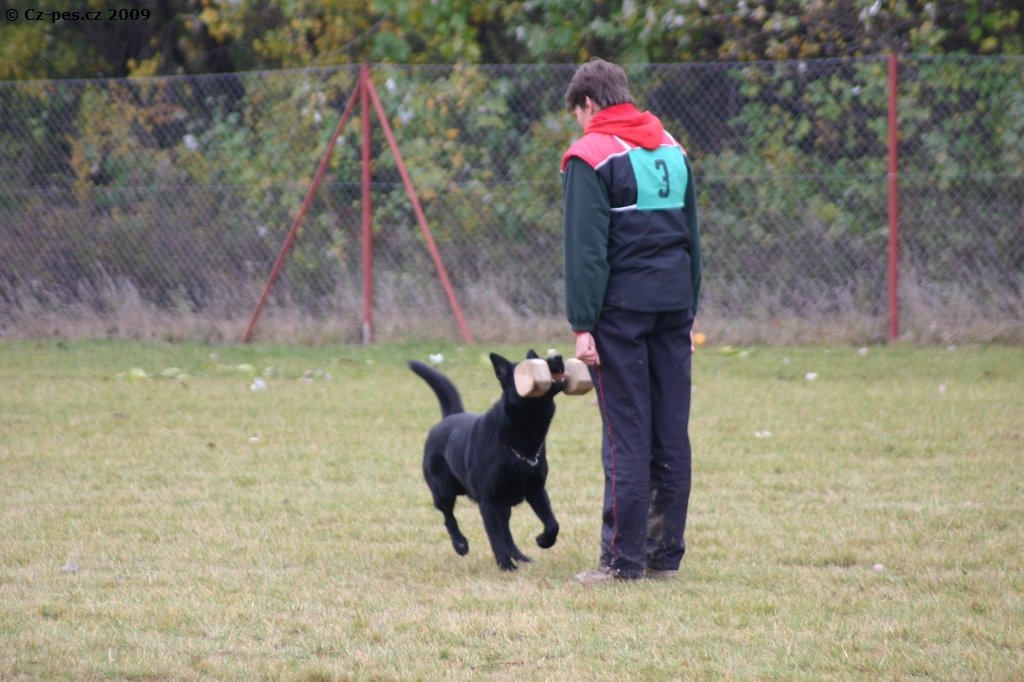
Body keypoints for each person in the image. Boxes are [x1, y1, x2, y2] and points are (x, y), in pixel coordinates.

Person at [560, 58, 701, 584]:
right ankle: (664, 557)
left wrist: (583, 324)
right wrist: (688, 313)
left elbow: (585, 251)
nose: (580, 124)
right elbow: (692, 238)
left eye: (578, 114)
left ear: (588, 104)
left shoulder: (590, 155)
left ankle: (622, 562)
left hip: (621, 313)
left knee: (627, 435)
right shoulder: (671, 148)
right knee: (671, 433)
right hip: (673, 307)